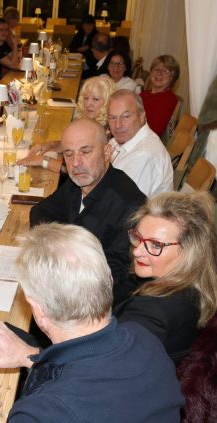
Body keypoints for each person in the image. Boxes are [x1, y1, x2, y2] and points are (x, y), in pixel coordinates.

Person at [0, 224, 184, 422]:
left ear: (38, 310)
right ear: (109, 280)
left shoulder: (40, 414)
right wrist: (31, 358)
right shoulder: (145, 340)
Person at [30, 119, 146, 304]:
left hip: (94, 304)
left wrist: (59, 256)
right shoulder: (78, 182)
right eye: (69, 154)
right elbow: (40, 212)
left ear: (106, 153)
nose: (76, 163)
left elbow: (112, 279)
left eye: (85, 152)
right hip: (63, 282)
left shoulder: (129, 206)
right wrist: (60, 248)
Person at [115, 191, 217, 363]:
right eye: (138, 237)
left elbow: (111, 365)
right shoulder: (193, 284)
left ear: (189, 251)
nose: (137, 251)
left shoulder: (152, 312)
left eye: (156, 245)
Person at [18, 77, 116, 173]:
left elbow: (80, 169)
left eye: (95, 99)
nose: (88, 103)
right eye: (86, 98)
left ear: (107, 103)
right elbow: (75, 146)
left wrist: (43, 161)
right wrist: (49, 145)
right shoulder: (91, 123)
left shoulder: (106, 132)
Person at [107, 89, 174, 196]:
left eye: (126, 116)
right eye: (112, 118)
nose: (118, 125)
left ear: (142, 117)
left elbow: (119, 201)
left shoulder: (145, 155)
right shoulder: (121, 139)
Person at [140, 54, 181, 137]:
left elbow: (154, 131)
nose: (159, 73)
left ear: (172, 77)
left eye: (165, 71)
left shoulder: (169, 99)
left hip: (145, 139)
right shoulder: (143, 94)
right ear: (151, 73)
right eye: (156, 69)